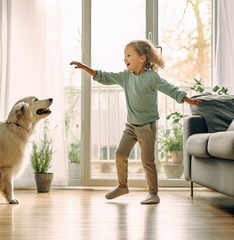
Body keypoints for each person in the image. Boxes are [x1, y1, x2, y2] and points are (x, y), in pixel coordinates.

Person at [70, 39, 201, 204]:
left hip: (147, 127)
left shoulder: (152, 78)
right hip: (131, 126)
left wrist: (187, 100)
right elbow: (104, 77)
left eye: (128, 55)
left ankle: (153, 193)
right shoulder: (126, 77)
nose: (125, 59)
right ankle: (122, 186)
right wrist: (84, 67)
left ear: (142, 58)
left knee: (147, 162)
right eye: (124, 56)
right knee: (120, 154)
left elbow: (170, 88)